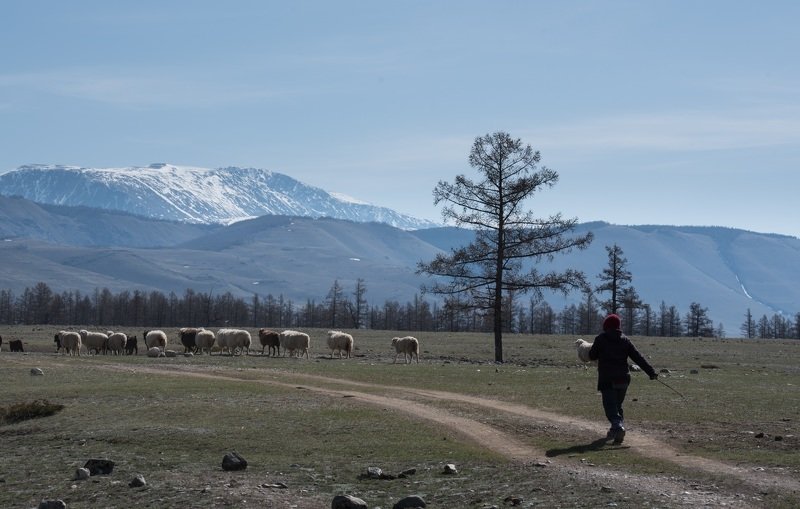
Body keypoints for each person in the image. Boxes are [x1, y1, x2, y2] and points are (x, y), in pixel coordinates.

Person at [589, 313, 658, 444]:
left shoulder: (600, 339)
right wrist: (651, 372)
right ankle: (616, 432)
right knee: (617, 405)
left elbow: (592, 356)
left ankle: (618, 426)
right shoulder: (625, 340)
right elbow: (638, 357)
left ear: (605, 326)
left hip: (608, 379)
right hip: (623, 379)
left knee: (610, 406)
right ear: (618, 326)